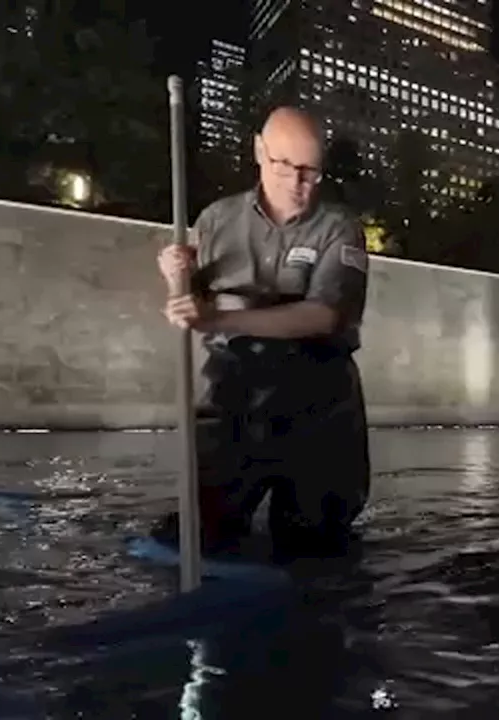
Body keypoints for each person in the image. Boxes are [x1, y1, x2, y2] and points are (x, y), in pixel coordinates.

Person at [151, 106, 371, 561]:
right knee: (200, 530)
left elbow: (323, 316)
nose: (297, 183)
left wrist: (217, 320)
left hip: (318, 401)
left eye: (310, 171)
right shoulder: (215, 220)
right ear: (258, 152)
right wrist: (176, 276)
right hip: (233, 392)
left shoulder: (340, 229)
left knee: (317, 544)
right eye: (283, 166)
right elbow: (191, 306)